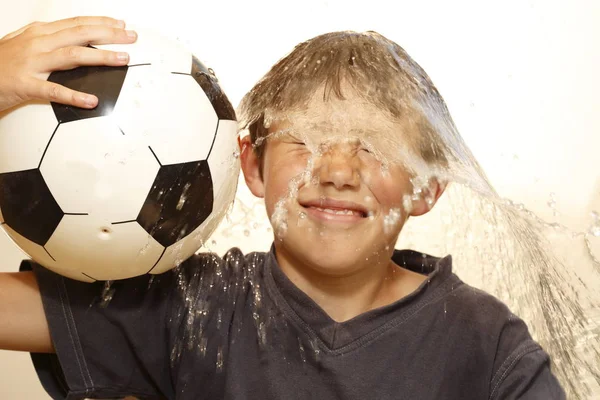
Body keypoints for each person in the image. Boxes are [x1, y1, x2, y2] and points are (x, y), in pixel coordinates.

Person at [0, 17, 566, 400]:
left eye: (373, 146)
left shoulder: (485, 342)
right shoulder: (193, 307)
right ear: (250, 165)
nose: (338, 171)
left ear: (427, 185)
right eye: (306, 140)